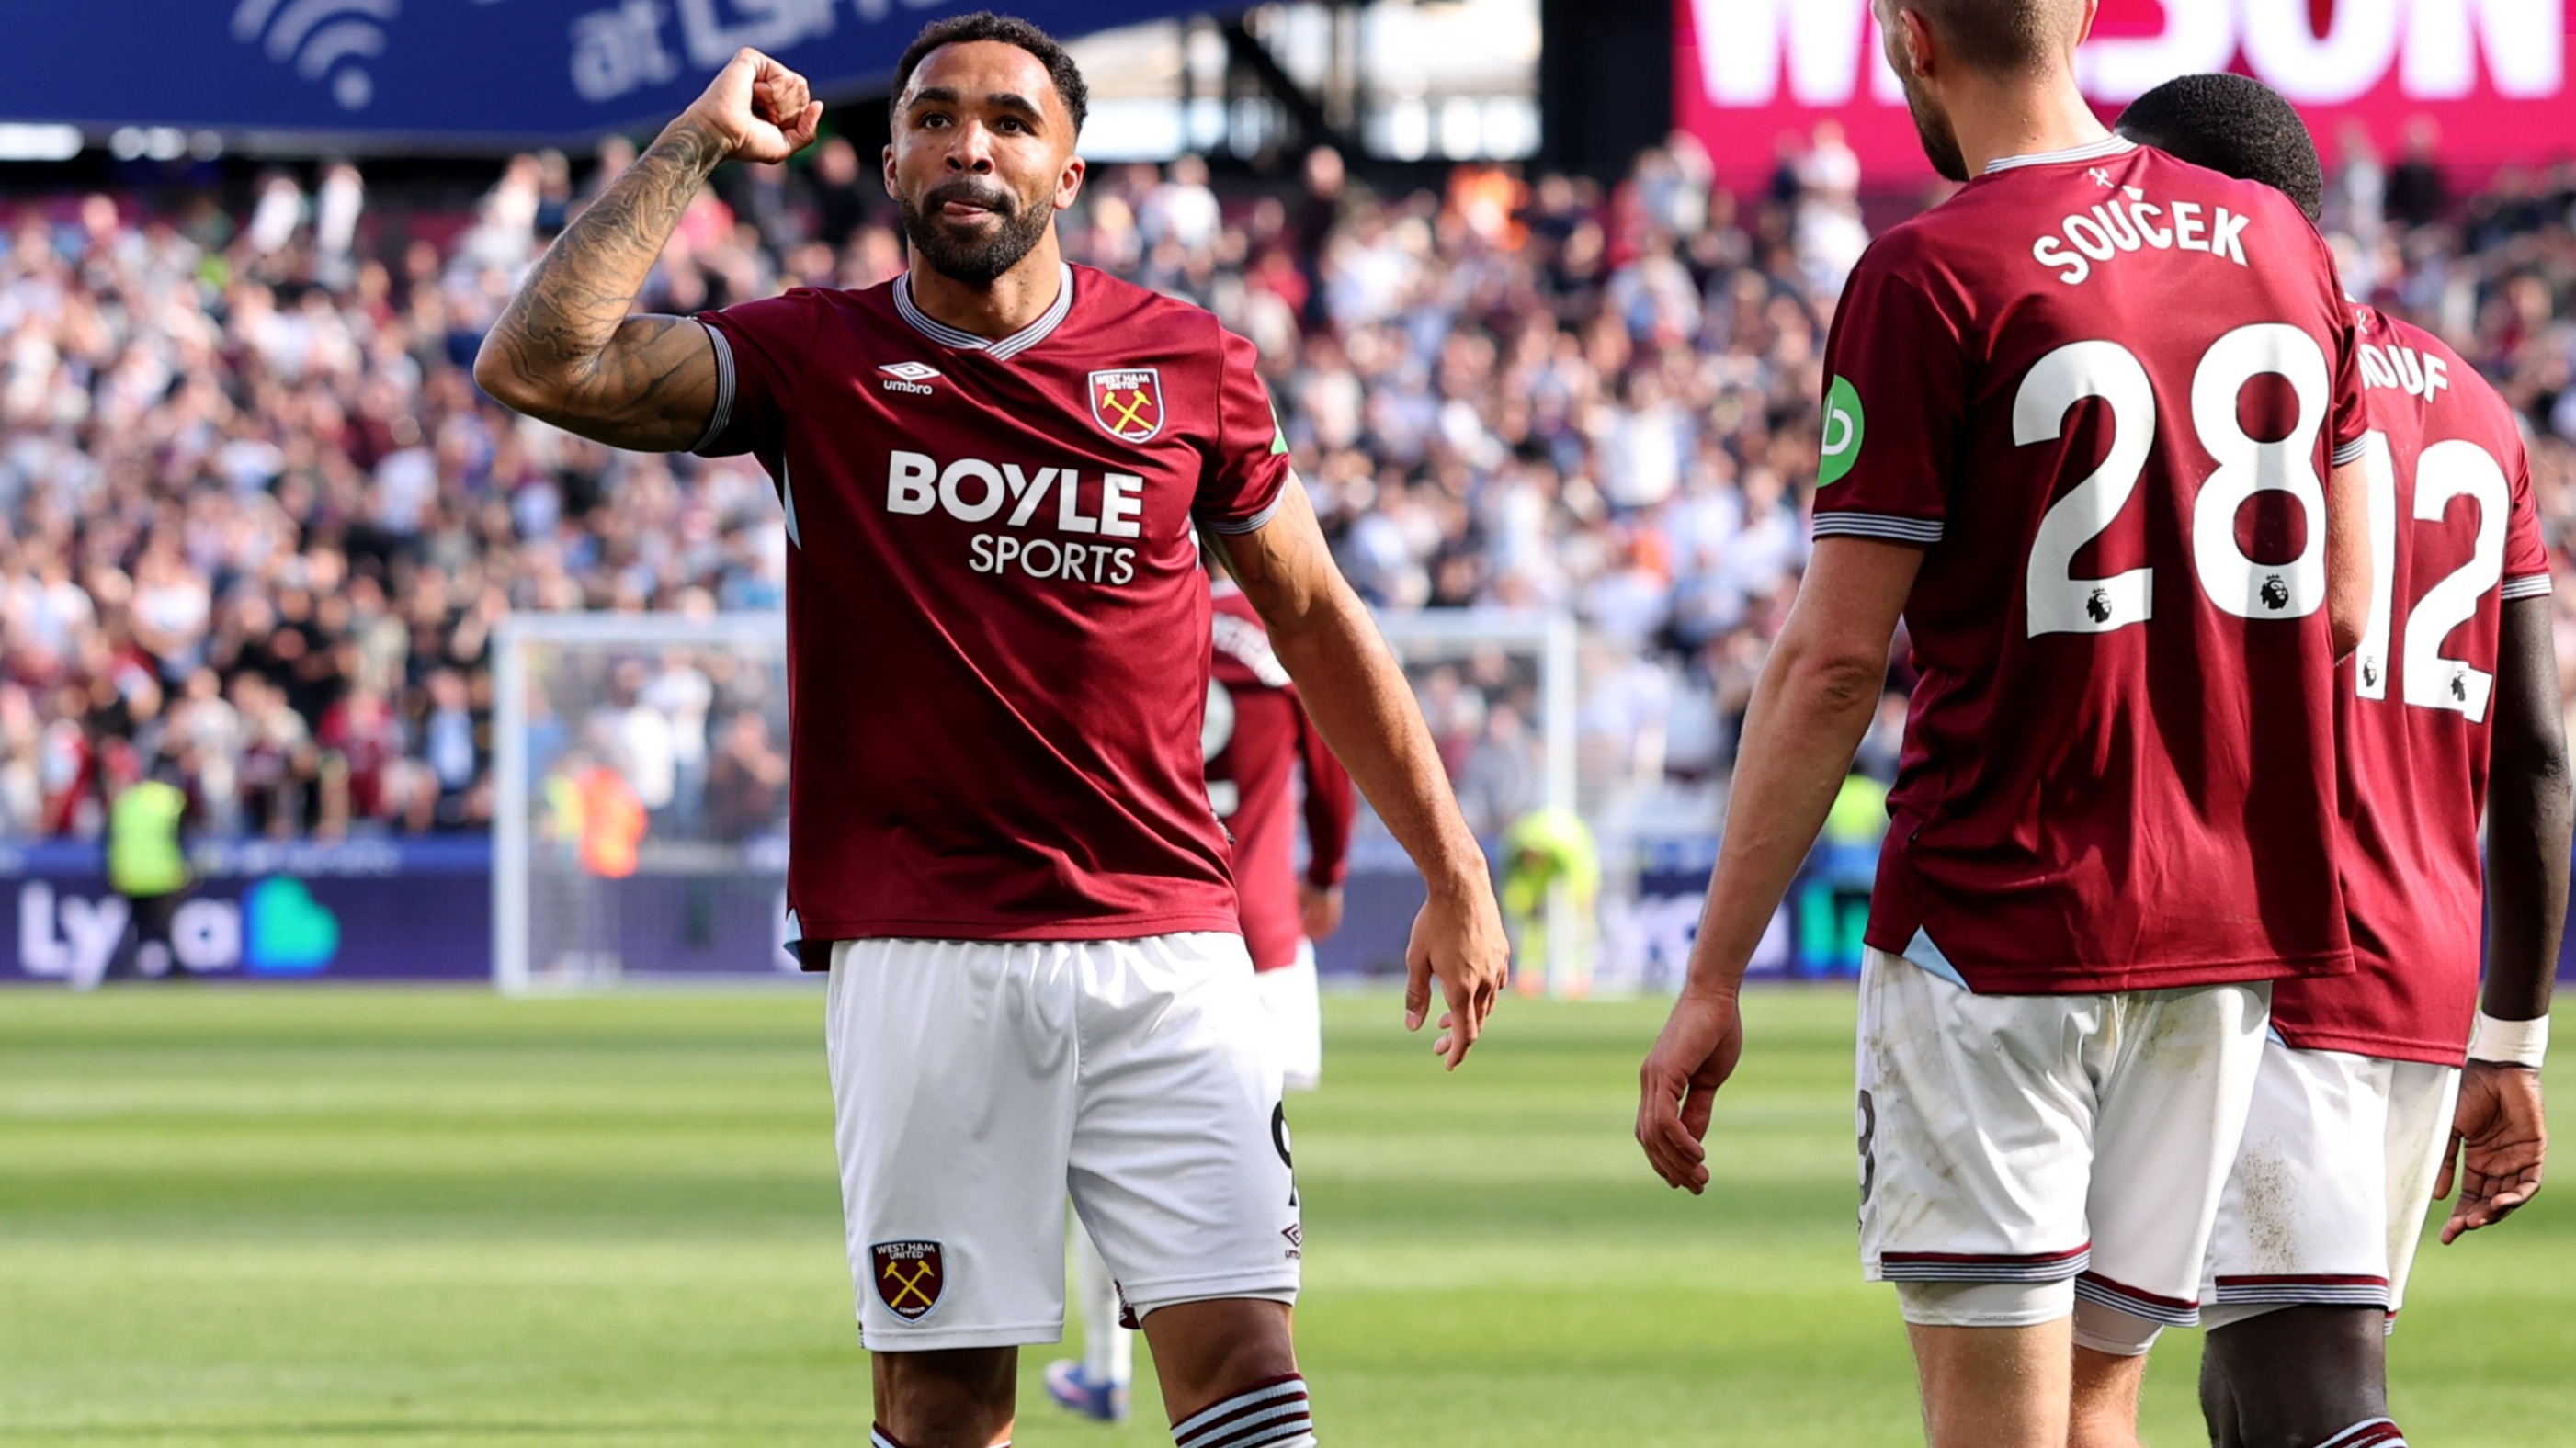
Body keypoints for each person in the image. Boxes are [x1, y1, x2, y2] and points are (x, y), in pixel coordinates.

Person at [472, 17, 1510, 1448]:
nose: (970, 144)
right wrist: (699, 139)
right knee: (944, 1404)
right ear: (892, 162)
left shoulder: (1188, 363)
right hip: (923, 953)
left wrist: (1453, 867)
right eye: (935, 118)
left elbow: (1317, 618)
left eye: (1011, 121)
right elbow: (536, 363)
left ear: (1068, 172)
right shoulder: (811, 355)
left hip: (1168, 949)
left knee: (1244, 1360)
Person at [1631, 3, 2377, 1445]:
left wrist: (1711, 972)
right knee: (2098, 1407)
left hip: (1997, 923)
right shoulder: (2275, 238)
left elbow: (1832, 664)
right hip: (2222, 927)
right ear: (2085, 15)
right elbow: (2340, 610)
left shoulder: (1925, 270)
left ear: (1908, 37)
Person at [2115, 74, 2569, 1448]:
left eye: (2136, 192)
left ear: (2205, 208)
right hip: (2422, 972)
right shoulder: (2478, 409)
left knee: (2306, 1405)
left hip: (2281, 957)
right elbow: (2537, 753)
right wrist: (2510, 1037)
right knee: (2250, 1390)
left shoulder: (2233, 386)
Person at [1046, 562, 1360, 1423]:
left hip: (1156, 925)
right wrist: (1328, 871)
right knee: (1251, 1164)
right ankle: (1260, 1368)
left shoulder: (1127, 614)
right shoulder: (1277, 637)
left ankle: (1108, 1366)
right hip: (1263, 928)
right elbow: (1333, 764)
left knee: (1108, 1151)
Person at [103, 760, 192, 983]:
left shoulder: (127, 800)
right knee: (165, 925)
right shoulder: (171, 800)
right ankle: (178, 972)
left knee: (136, 925)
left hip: (130, 874)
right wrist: (184, 868)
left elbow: (111, 838)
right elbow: (179, 839)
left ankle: (126, 970)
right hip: (162, 874)